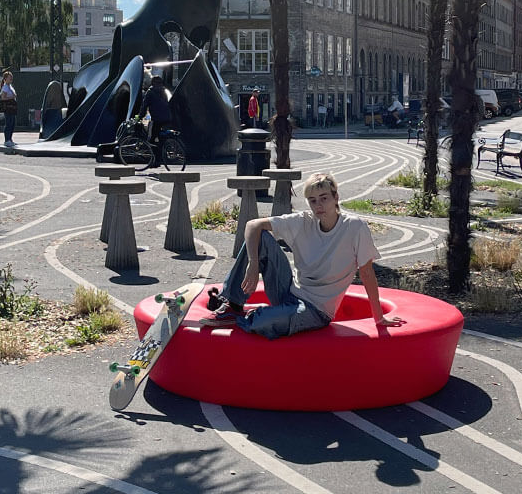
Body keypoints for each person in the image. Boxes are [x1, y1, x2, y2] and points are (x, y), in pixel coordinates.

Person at [199, 172, 404, 337]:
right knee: (260, 237)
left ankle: (256, 314)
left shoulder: (355, 228)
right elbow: (253, 225)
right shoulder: (304, 220)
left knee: (262, 322)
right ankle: (233, 306)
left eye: (324, 199)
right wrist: (253, 264)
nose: (319, 206)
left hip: (316, 311)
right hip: (288, 291)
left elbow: (367, 274)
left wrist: (379, 318)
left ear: (336, 197)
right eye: (313, 201)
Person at [138, 75, 172, 143]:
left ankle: (154, 150)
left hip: (157, 118)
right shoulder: (164, 91)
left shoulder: (150, 92)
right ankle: (163, 147)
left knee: (152, 136)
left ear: (152, 83)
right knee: (161, 134)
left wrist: (140, 116)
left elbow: (144, 106)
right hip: (167, 116)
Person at [0, 70, 17, 148]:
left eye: (11, 78)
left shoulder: (10, 86)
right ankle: (7, 140)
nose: (11, 79)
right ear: (5, 79)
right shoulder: (5, 87)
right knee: (8, 123)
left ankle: (10, 139)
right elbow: (3, 98)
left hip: (12, 108)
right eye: (9, 78)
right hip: (8, 108)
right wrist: (12, 97)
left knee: (12, 123)